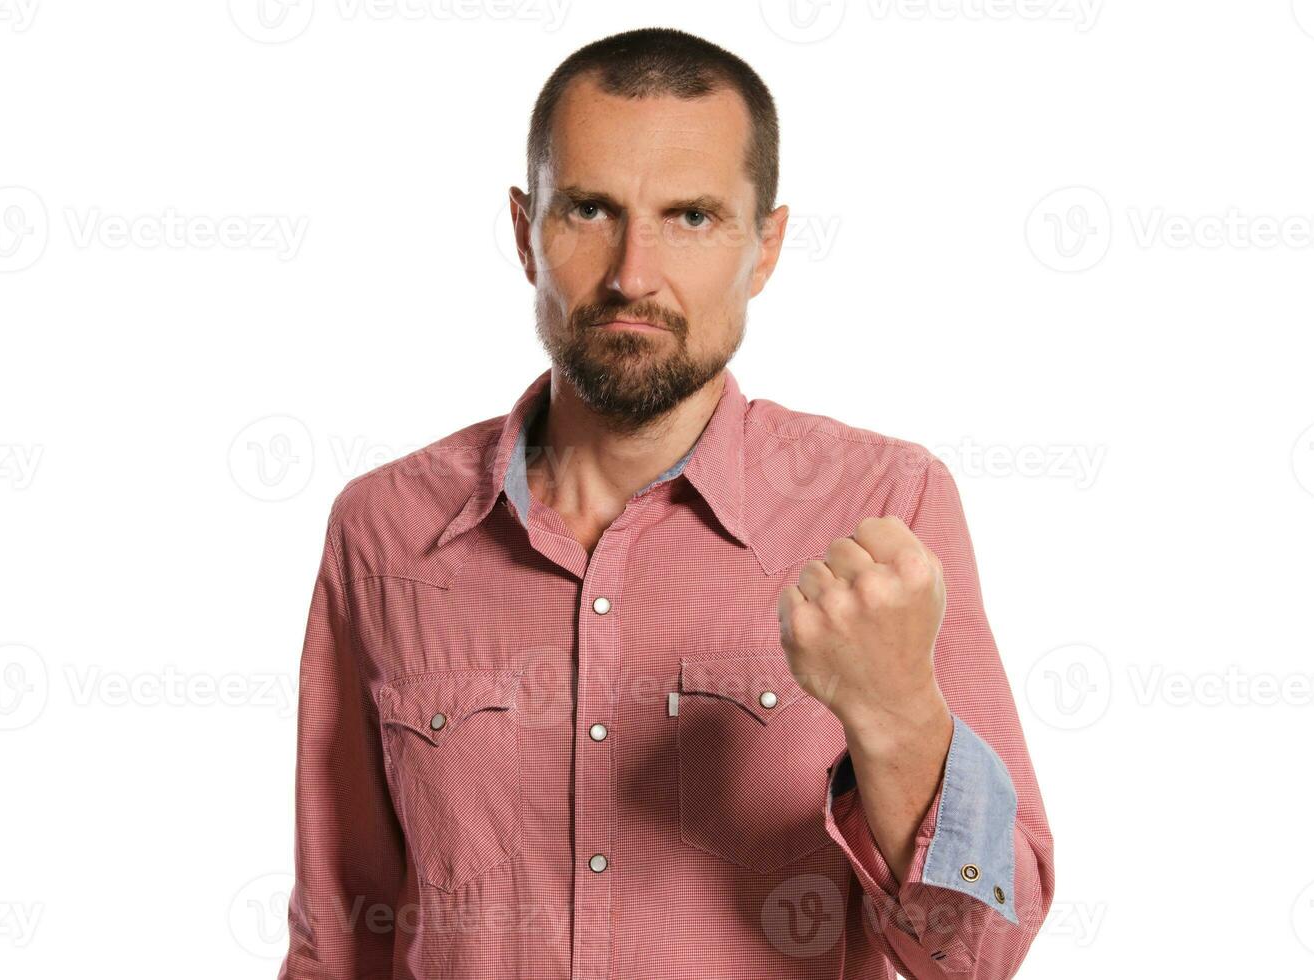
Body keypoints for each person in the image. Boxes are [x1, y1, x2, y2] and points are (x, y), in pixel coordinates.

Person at [278, 26, 1054, 980]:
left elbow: (976, 956)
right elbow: (341, 940)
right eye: (591, 210)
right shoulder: (385, 529)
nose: (633, 273)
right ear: (526, 232)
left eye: (691, 217)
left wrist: (896, 716)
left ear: (764, 247)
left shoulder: (883, 507)